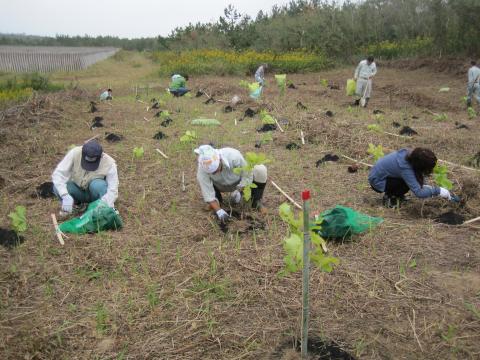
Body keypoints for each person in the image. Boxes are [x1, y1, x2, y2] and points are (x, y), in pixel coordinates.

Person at [195, 145, 268, 222]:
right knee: (213, 202)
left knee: (260, 169)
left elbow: (247, 175)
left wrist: (239, 189)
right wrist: (219, 211)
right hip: (219, 186)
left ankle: (255, 201)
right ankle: (217, 202)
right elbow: (207, 192)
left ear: (220, 160)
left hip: (238, 182)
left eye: (216, 170)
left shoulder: (233, 156)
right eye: (212, 172)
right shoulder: (202, 169)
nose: (215, 173)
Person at [368, 147, 459, 208]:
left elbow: (418, 175)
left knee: (412, 181)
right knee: (406, 184)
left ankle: (396, 194)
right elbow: (418, 193)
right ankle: (390, 198)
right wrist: (438, 190)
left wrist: (426, 186)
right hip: (377, 181)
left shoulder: (413, 156)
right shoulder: (405, 168)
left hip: (387, 176)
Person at [52, 140, 118, 215]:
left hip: (95, 195)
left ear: (100, 156)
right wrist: (65, 195)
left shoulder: (109, 163)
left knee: (99, 185)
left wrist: (106, 204)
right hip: (79, 190)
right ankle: (76, 206)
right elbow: (58, 174)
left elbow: (113, 190)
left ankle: (101, 208)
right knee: (57, 187)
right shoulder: (75, 153)